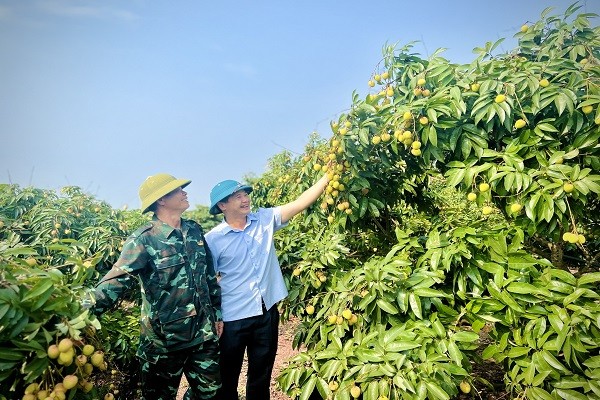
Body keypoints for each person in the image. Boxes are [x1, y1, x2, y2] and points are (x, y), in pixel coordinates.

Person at [91, 173, 223, 400]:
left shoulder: (193, 230)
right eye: (178, 190)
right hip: (163, 344)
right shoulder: (143, 239)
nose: (185, 192)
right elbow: (115, 282)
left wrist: (217, 313)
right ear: (161, 200)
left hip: (203, 337)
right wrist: (79, 313)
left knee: (212, 395)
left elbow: (209, 276)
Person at [205, 175, 329, 400]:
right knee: (227, 378)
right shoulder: (213, 240)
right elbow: (208, 281)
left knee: (261, 376)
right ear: (222, 206)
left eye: (245, 194)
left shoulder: (264, 219)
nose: (245, 199)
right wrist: (215, 316)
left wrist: (328, 177)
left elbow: (300, 203)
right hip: (233, 317)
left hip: (266, 312)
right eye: (238, 196)